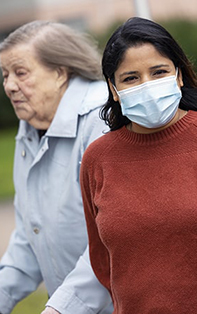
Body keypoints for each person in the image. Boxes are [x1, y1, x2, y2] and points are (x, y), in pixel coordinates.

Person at [80, 17, 197, 314]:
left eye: (159, 72)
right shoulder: (97, 159)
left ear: (179, 76)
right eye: (131, 78)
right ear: (114, 88)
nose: (148, 85)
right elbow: (103, 261)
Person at [0, 21, 113, 314]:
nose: (9, 85)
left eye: (20, 73)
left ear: (60, 72)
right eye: (5, 75)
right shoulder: (31, 126)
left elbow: (112, 239)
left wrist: (60, 309)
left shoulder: (102, 116)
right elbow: (29, 237)